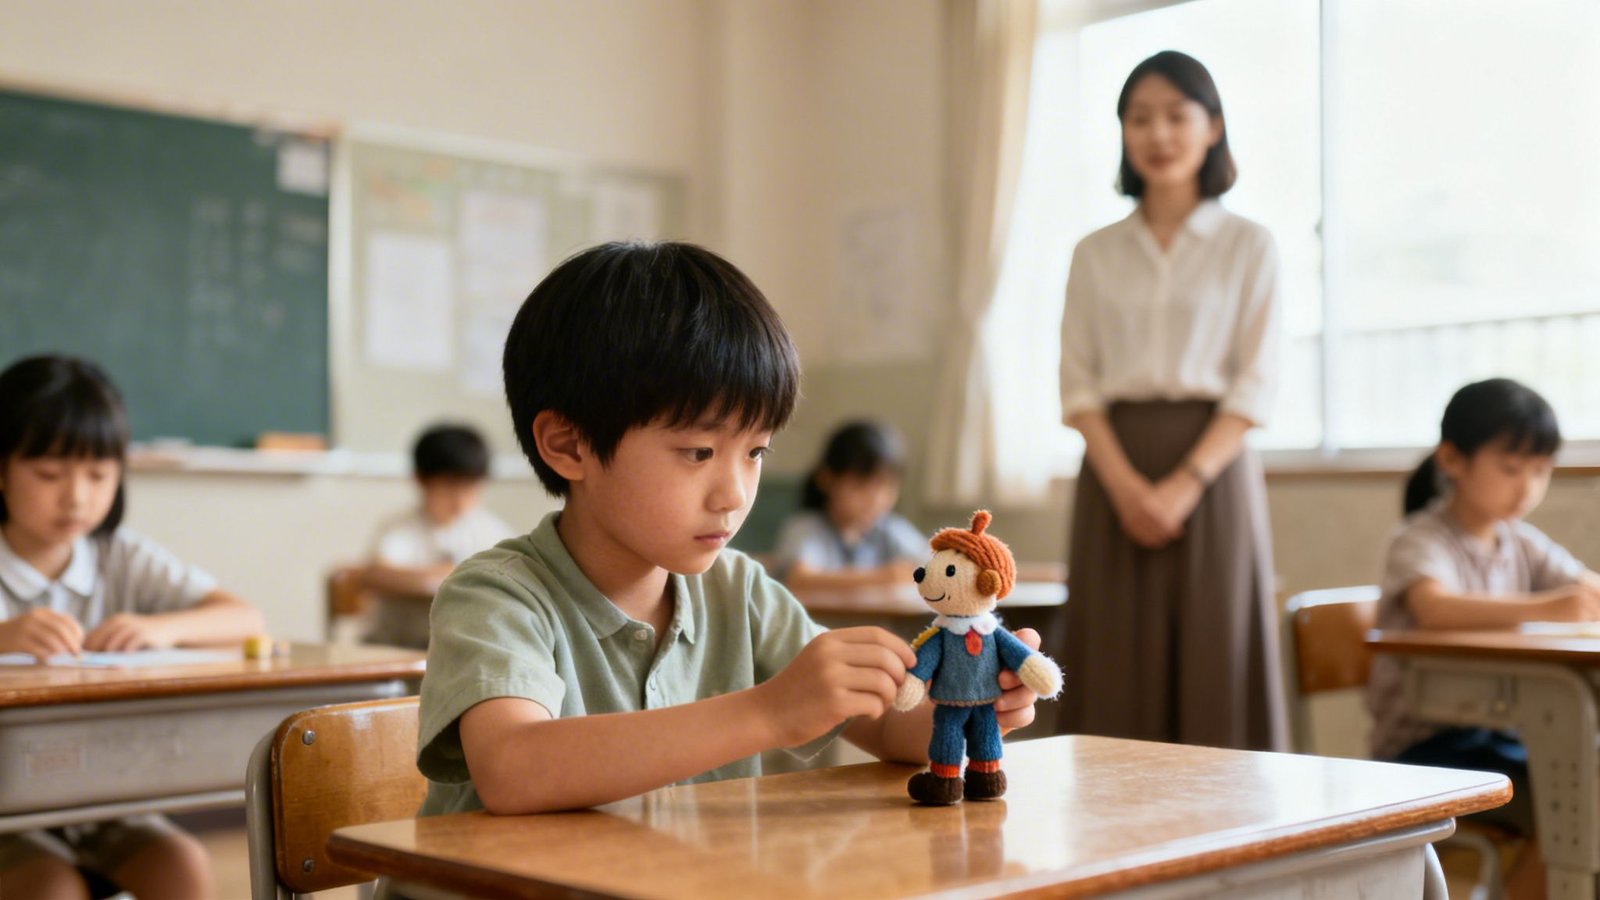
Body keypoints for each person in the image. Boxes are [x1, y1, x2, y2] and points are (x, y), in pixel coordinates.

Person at [416, 241, 1047, 815]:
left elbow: (888, 732)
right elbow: (514, 769)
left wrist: (970, 701)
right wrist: (769, 711)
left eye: (756, 452)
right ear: (569, 445)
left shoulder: (741, 592)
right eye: (697, 453)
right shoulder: (496, 596)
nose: (735, 493)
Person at [1057, 50, 1285, 750]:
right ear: (1123, 132)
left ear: (1212, 126)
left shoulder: (1249, 245)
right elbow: (1078, 383)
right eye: (1140, 118)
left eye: (1177, 116)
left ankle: (1236, 849)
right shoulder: (1095, 252)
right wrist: (1127, 489)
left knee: (1218, 663)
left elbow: (1256, 382)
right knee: (1114, 666)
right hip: (1113, 470)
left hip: (1213, 475)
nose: (1158, 134)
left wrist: (1184, 486)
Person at [0, 354, 264, 900]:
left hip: (96, 798)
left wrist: (161, 628)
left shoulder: (117, 556)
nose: (77, 496)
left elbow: (245, 619)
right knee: (52, 886)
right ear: (1, 469)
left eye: (98, 475)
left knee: (184, 865)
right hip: (6, 803)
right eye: (49, 474)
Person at [1368, 378, 1600, 899]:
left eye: (1541, 471)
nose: (1527, 488)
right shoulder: (1421, 537)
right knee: (1578, 795)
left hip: (1497, 733)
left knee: (1585, 782)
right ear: (1452, 459)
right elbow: (1433, 608)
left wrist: (1577, 598)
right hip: (1425, 748)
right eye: (1511, 468)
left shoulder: (1517, 541)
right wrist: (1549, 607)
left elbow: (1583, 586)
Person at [360, 424, 514, 648]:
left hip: (466, 648)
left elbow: (509, 578)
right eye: (450, 486)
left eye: (470, 486)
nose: (460, 499)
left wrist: (436, 576)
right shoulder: (401, 528)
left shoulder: (489, 529)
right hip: (397, 645)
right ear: (421, 480)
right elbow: (378, 575)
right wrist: (457, 574)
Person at [772, 420, 926, 590]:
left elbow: (933, 563)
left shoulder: (890, 529)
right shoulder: (805, 528)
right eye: (861, 485)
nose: (875, 499)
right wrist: (882, 578)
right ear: (827, 479)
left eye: (887, 486)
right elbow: (799, 579)